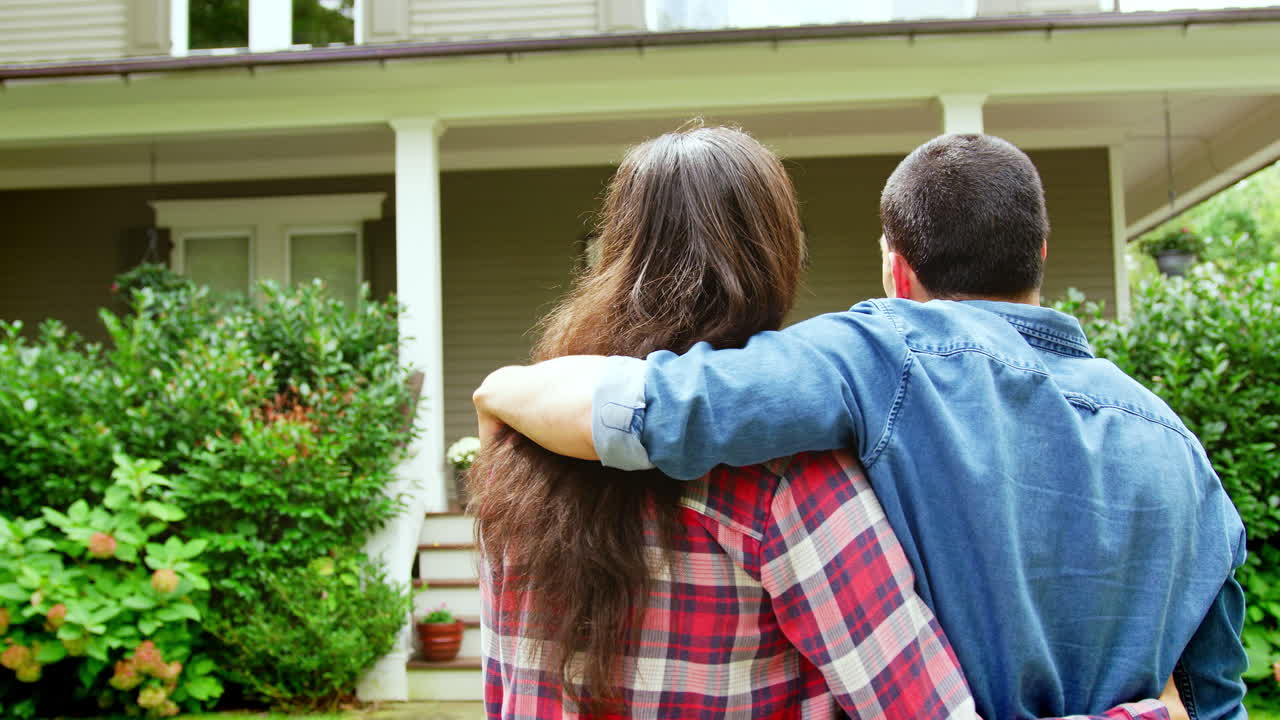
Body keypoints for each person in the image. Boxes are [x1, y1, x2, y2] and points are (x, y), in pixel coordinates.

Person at [472, 133, 1248, 720]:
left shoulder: (518, 468)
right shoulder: (1180, 452)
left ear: (895, 267)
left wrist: (507, 391)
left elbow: (666, 407)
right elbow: (1212, 696)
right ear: (1040, 251)